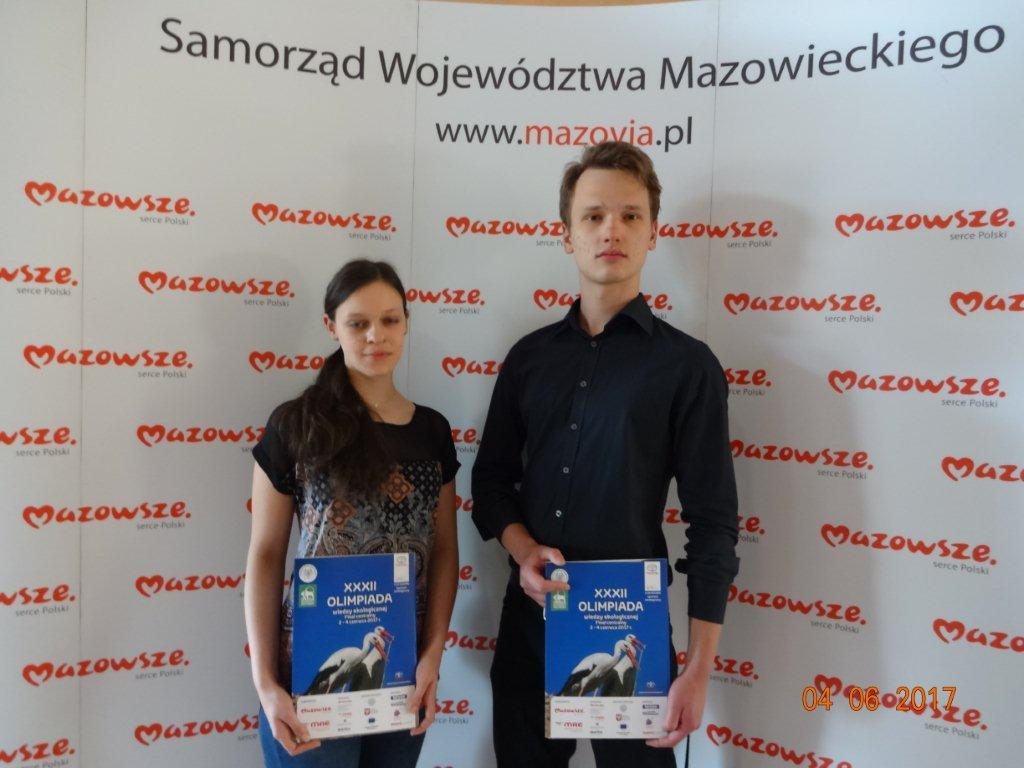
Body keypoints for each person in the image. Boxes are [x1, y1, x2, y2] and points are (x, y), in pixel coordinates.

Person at [472, 142, 740, 768]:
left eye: (630, 215)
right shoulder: (529, 358)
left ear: (653, 232)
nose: (611, 230)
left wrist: (698, 670)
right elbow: (490, 482)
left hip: (630, 628)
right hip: (532, 622)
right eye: (593, 216)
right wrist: (522, 550)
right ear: (567, 235)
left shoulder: (687, 366)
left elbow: (713, 525)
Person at [244, 259, 459, 768]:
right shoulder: (296, 425)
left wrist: (432, 658)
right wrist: (267, 682)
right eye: (358, 323)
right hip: (310, 676)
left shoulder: (431, 432)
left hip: (402, 674)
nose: (375, 336)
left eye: (389, 320)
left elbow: (446, 552)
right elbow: (266, 553)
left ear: (406, 322)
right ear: (331, 326)